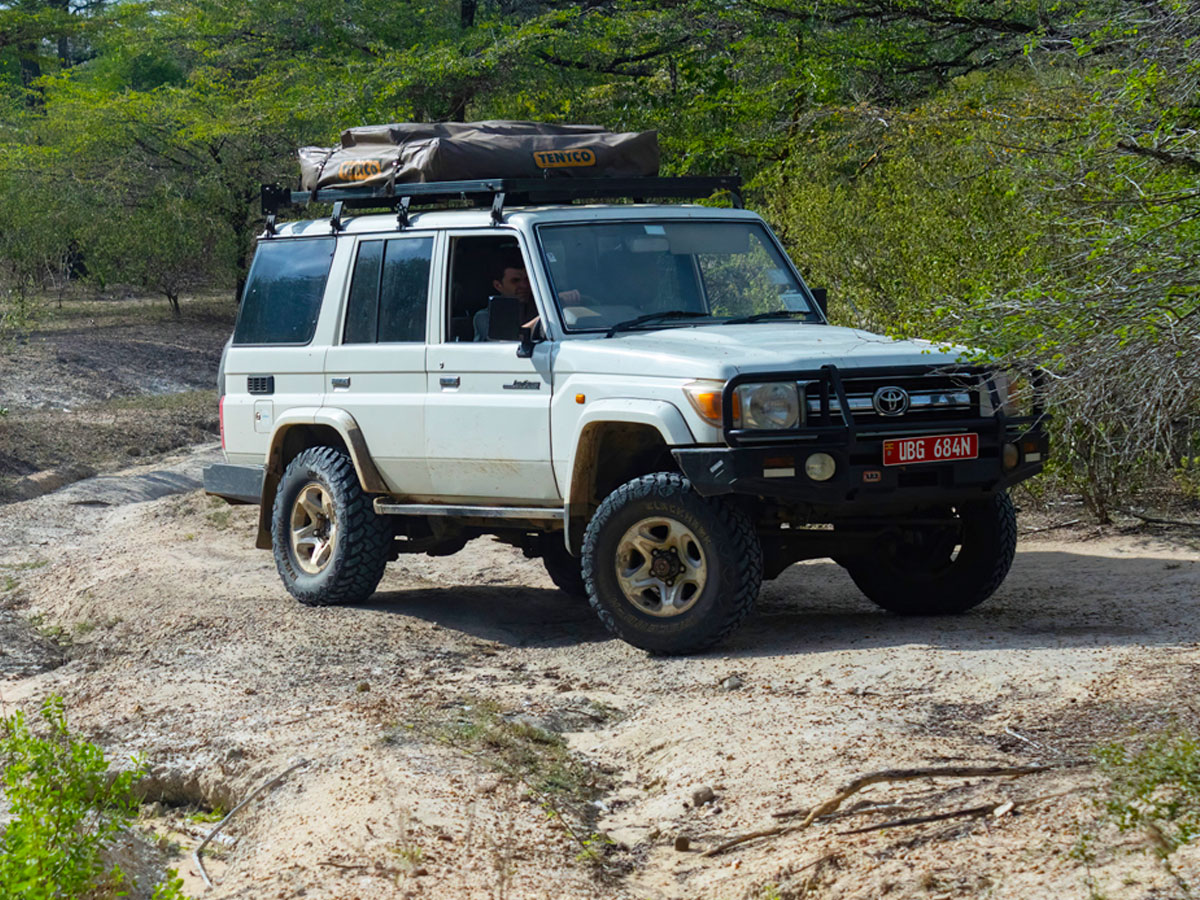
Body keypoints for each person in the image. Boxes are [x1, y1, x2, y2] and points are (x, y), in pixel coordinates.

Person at [474, 256, 540, 341]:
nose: (525, 285)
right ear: (498, 285)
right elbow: (507, 342)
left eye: (527, 279)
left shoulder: (537, 308)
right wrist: (543, 319)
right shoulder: (485, 316)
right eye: (515, 281)